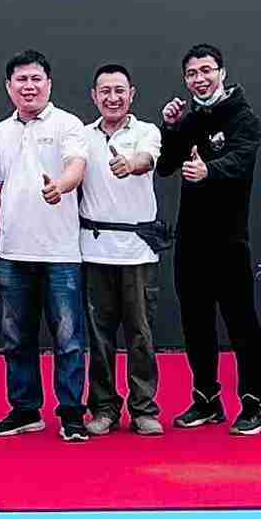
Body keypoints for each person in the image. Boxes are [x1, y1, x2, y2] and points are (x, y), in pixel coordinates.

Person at [157, 43, 261, 435]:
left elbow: (242, 160)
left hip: (230, 239)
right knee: (195, 322)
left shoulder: (244, 117)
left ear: (222, 72)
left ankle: (254, 404)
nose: (200, 79)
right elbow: (166, 165)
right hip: (191, 239)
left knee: (241, 324)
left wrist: (211, 170)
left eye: (206, 70)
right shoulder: (190, 118)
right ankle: (206, 399)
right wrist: (171, 127)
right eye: (192, 73)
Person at [0, 48, 92, 442]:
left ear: (49, 83)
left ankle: (72, 413)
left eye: (36, 79)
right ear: (9, 86)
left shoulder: (68, 124)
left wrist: (60, 186)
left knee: (69, 339)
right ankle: (25, 410)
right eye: (21, 80)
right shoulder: (0, 132)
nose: (28, 87)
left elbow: (77, 166)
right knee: (16, 339)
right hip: (13, 253)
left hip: (60, 253)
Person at [78, 64, 165, 437]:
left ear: (132, 94)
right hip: (94, 251)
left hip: (138, 252)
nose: (112, 98)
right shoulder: (81, 136)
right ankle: (103, 408)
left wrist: (131, 164)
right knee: (99, 338)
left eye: (119, 90)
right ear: (94, 96)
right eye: (105, 91)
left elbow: (147, 160)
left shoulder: (147, 132)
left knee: (141, 335)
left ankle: (144, 408)